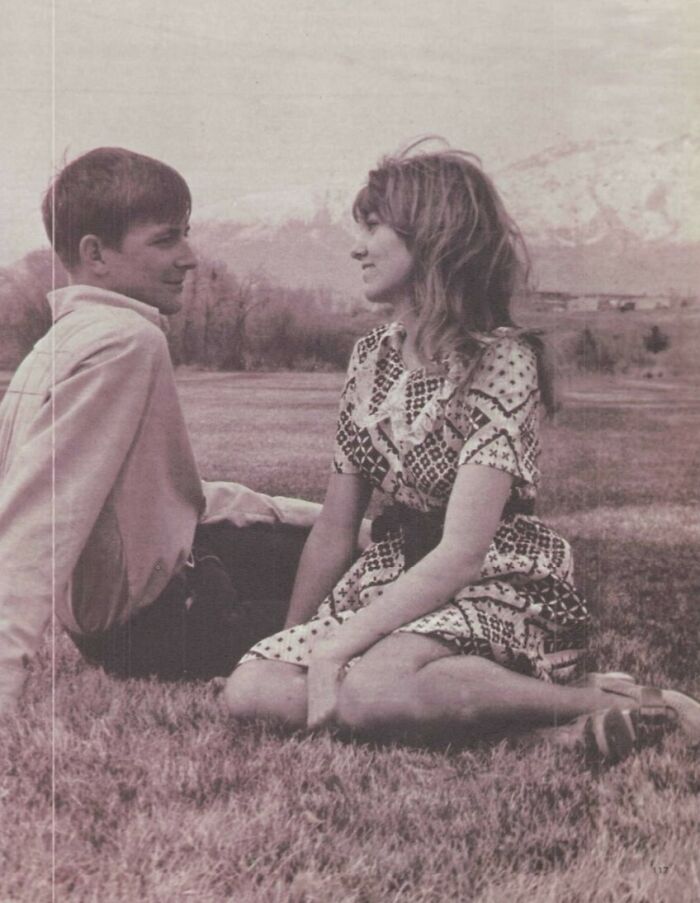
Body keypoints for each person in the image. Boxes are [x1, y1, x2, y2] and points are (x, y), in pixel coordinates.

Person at [224, 141, 700, 762]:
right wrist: (293, 643)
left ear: (433, 238)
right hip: (393, 577)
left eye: (373, 227)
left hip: (491, 578)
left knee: (368, 689)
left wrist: (337, 651)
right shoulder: (369, 358)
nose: (357, 245)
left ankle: (623, 706)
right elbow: (336, 528)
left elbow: (461, 552)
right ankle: (541, 728)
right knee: (251, 688)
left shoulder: (503, 360)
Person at [0, 147, 321, 715]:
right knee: (378, 606)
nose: (190, 257)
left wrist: (318, 520)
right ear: (95, 254)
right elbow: (43, 506)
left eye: (186, 235)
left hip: (138, 612)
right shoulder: (125, 341)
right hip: (164, 627)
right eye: (166, 239)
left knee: (344, 550)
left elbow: (174, 499)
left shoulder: (57, 346)